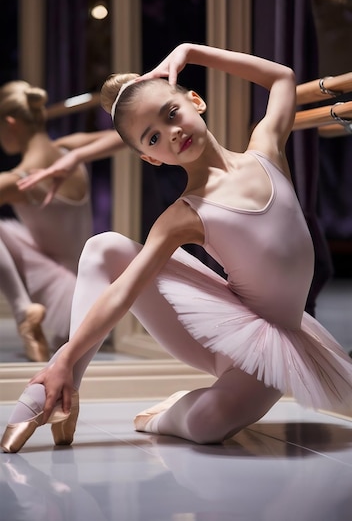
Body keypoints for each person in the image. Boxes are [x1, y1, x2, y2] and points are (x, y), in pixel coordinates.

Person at [2, 43, 352, 454]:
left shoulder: (266, 149)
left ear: (195, 100)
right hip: (223, 332)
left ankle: (163, 415)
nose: (172, 133)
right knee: (104, 247)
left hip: (274, 344)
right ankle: (63, 386)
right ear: (151, 158)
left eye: (172, 115)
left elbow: (282, 78)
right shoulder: (183, 214)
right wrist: (65, 358)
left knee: (207, 425)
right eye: (153, 137)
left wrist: (191, 52)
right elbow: (122, 290)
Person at [0, 80, 93, 362]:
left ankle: (23, 310)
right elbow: (120, 136)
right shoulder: (69, 154)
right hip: (90, 290)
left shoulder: (18, 179)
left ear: (11, 123)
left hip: (65, 295)